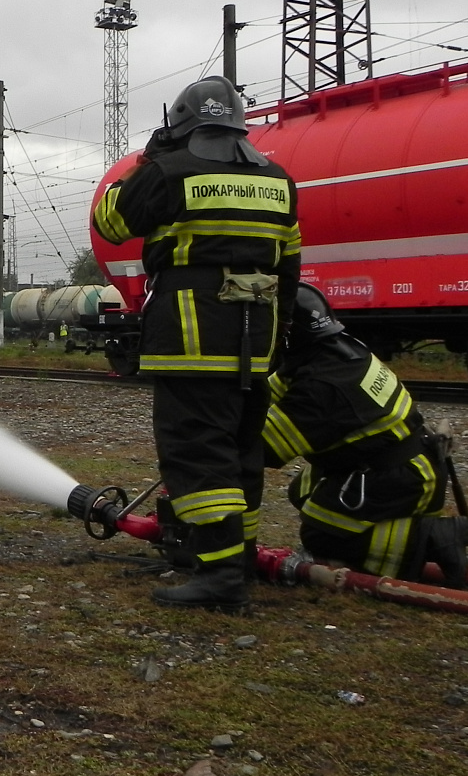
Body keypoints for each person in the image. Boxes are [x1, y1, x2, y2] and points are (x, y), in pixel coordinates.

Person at [92, 75, 300, 612]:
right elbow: (290, 266)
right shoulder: (278, 179)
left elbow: (110, 222)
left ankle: (219, 573)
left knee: (197, 455)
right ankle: (240, 557)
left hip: (191, 335)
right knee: (240, 453)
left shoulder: (169, 171)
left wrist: (148, 158)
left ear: (181, 123)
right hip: (257, 339)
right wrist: (279, 342)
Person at [264, 284, 467, 585]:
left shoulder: (322, 388)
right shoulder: (337, 349)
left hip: (400, 479)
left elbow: (262, 449)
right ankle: (406, 535)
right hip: (402, 465)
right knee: (302, 492)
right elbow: (270, 392)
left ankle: (433, 538)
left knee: (319, 535)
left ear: (285, 334)